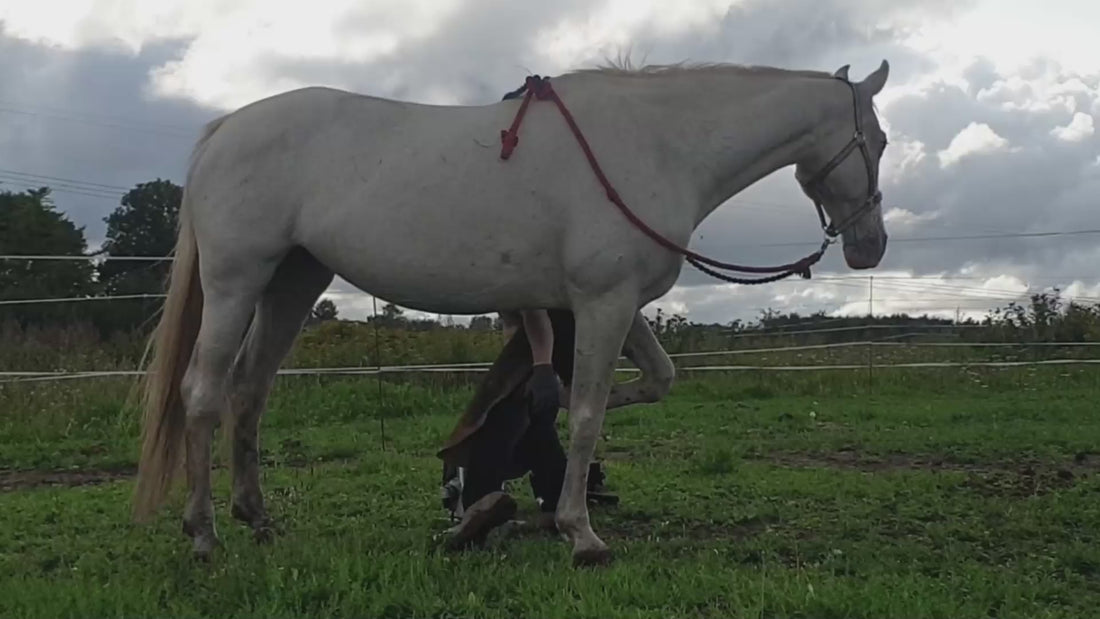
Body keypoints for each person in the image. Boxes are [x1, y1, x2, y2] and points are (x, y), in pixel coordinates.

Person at [436, 308, 616, 550]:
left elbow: (534, 309)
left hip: (529, 364)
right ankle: (555, 501)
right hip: (537, 359)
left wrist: (542, 367)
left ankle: (479, 502)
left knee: (499, 417)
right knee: (537, 431)